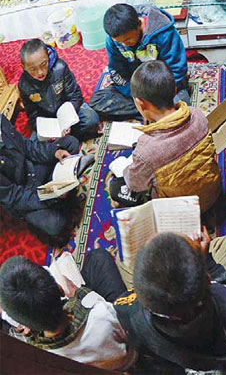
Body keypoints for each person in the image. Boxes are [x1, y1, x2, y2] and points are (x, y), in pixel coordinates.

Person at [113, 231, 226, 374]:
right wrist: (208, 261)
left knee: (121, 259)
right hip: (215, 347)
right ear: (208, 278)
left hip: (165, 353)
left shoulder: (127, 312)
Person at [108, 60, 221, 214]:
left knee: (116, 187)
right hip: (212, 194)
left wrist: (124, 168)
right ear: (175, 91)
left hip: (182, 212)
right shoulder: (197, 114)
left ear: (140, 104)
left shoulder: (147, 151)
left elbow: (135, 184)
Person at [0, 249, 136, 371]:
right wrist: (79, 292)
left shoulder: (34, 355)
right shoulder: (99, 313)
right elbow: (119, 318)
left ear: (26, 326)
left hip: (108, 365)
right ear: (60, 289)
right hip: (127, 358)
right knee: (98, 258)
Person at [89, 3, 189, 121]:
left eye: (128, 39)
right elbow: (117, 71)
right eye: (120, 42)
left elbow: (177, 69)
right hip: (138, 88)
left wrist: (155, 98)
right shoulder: (113, 40)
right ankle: (154, 112)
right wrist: (136, 95)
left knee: (182, 107)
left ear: (139, 24)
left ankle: (151, 112)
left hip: (163, 85)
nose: (125, 44)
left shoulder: (163, 33)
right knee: (98, 101)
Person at [0, 113, 80, 244]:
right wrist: (49, 197)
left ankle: (60, 195)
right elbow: (14, 197)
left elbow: (27, 147)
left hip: (32, 168)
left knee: (70, 143)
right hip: (24, 195)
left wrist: (54, 152)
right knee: (56, 225)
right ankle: (56, 203)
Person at [18, 39, 100, 142]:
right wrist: (47, 131)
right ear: (24, 67)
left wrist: (67, 120)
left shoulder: (60, 68)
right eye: (33, 69)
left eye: (44, 64)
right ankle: (65, 139)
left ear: (48, 56)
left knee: (91, 120)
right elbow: (32, 114)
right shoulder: (24, 84)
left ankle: (62, 141)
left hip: (69, 111)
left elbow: (75, 96)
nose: (40, 72)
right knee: (34, 144)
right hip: (48, 120)